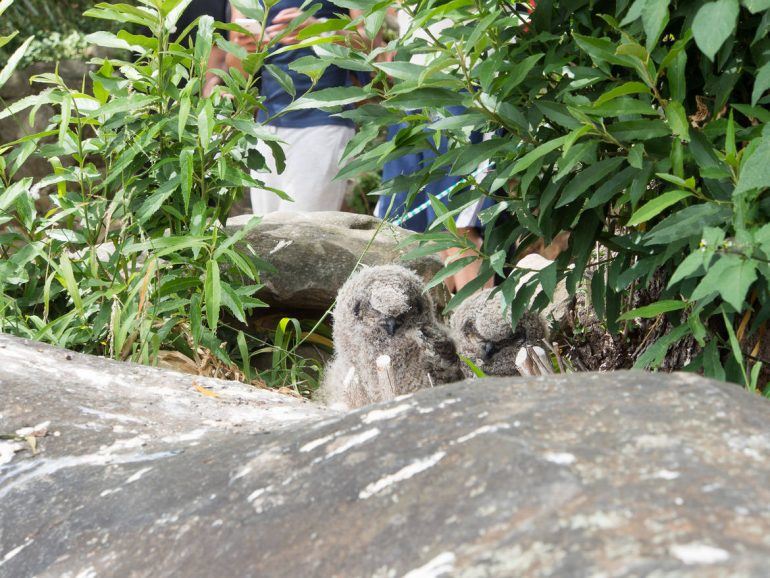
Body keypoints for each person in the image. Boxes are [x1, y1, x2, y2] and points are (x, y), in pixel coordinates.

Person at [222, 2, 372, 215]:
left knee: (306, 231)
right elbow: (237, 70)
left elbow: (370, 43)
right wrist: (245, 48)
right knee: (266, 232)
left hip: (323, 120)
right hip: (266, 126)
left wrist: (321, 29)